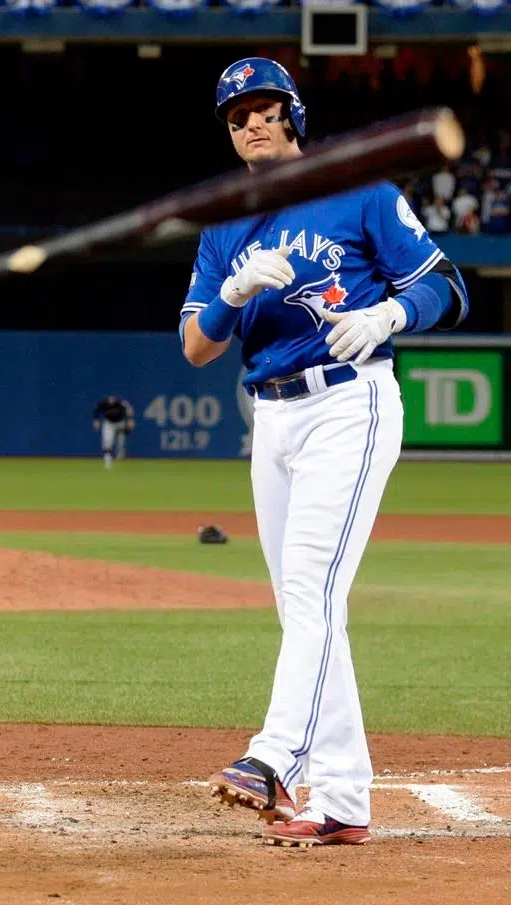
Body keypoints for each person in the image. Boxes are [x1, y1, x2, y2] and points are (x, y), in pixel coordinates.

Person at [181, 58, 469, 847]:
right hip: (270, 418)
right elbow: (195, 347)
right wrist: (232, 294)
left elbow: (448, 285)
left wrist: (389, 316)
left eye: (265, 109)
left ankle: (272, 755)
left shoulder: (362, 192)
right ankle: (342, 798)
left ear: (294, 115)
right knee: (305, 606)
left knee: (310, 586)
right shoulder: (224, 222)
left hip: (351, 399)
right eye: (237, 116)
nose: (252, 124)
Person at [91, 395, 134, 469]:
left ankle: (120, 453)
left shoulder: (120, 403)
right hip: (109, 423)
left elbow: (129, 410)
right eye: (110, 400)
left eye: (113, 399)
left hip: (120, 423)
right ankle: (107, 458)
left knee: (120, 442)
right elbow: (96, 411)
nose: (111, 401)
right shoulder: (104, 403)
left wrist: (130, 420)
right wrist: (96, 420)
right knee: (107, 440)